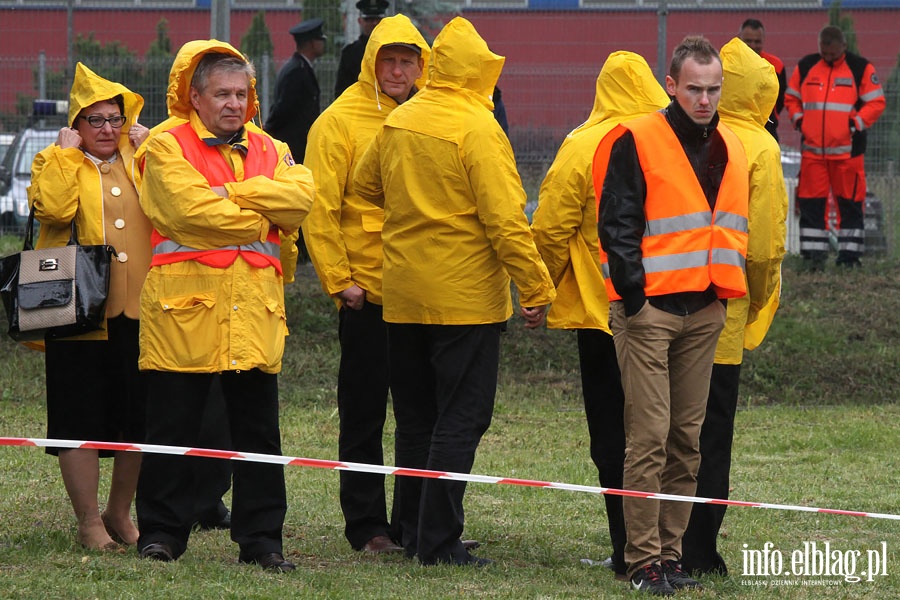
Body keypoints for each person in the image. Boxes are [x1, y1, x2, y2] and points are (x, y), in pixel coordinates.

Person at [353, 16, 556, 567]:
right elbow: (506, 222)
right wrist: (535, 285)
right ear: (478, 74)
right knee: (461, 418)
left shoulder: (400, 120)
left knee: (417, 419)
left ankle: (417, 533)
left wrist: (413, 201)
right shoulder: (479, 128)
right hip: (464, 297)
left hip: (402, 295)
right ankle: (438, 542)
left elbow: (365, 185)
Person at [134, 40, 315, 571]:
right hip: (183, 315)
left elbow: (302, 200)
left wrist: (230, 196)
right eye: (222, 94)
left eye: (242, 93)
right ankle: (161, 534)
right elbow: (188, 214)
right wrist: (263, 210)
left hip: (254, 314)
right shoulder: (164, 145)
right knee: (171, 430)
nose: (234, 103)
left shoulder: (271, 146)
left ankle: (263, 541)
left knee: (259, 435)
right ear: (195, 96)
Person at [593, 35, 749, 596]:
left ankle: (670, 552)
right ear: (671, 85)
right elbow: (617, 225)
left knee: (687, 438)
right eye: (694, 89)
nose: (704, 100)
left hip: (705, 308)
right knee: (650, 436)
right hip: (650, 311)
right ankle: (641, 560)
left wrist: (719, 298)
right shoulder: (637, 139)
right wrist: (635, 300)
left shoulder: (730, 144)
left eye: (712, 89)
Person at [531, 51, 669, 580]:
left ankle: (624, 547)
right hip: (665, 307)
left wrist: (539, 289)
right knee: (661, 431)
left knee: (613, 436)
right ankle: (667, 547)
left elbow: (550, 226)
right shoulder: (667, 139)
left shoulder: (582, 144)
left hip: (599, 311)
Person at [302, 14, 429, 556]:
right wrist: (340, 281)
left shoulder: (432, 115)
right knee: (364, 414)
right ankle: (367, 526)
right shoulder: (337, 122)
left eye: (408, 61)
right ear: (370, 61)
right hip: (367, 294)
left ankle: (416, 522)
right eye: (389, 59)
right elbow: (319, 210)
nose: (398, 70)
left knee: (421, 414)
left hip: (422, 294)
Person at [28, 62, 151, 551]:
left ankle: (118, 513)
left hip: (141, 308)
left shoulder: (142, 159)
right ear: (75, 126)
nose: (106, 129)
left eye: (114, 119)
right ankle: (87, 521)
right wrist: (62, 156)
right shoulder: (52, 160)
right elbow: (55, 210)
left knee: (137, 416)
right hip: (74, 307)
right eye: (94, 120)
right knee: (77, 412)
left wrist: (150, 152)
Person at [681, 37, 788, 577]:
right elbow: (765, 248)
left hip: (672, 305)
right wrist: (760, 298)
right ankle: (699, 548)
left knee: (668, 430)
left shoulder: (694, 133)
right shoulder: (762, 149)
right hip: (724, 313)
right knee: (711, 436)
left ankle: (654, 543)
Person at [784, 25, 885, 268]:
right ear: (819, 47)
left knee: (850, 204)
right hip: (813, 153)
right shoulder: (807, 66)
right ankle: (813, 258)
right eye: (824, 52)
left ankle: (849, 258)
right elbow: (791, 98)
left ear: (843, 46)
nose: (827, 57)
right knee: (810, 204)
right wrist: (799, 119)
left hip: (848, 154)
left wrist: (854, 124)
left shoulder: (860, 68)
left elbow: (876, 102)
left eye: (832, 53)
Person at [265, 17, 326, 162]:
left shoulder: (298, 67)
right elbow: (283, 108)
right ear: (312, 43)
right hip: (293, 147)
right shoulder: (297, 72)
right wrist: (267, 131)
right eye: (321, 39)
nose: (323, 44)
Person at [738, 18, 785, 141]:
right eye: (748, 41)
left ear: (763, 41)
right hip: (737, 131)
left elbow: (780, 100)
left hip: (767, 131)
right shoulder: (728, 64)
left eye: (757, 41)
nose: (753, 46)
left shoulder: (776, 66)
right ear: (739, 40)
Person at [334, 0, 388, 97]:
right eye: (369, 19)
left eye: (378, 19)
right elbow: (342, 92)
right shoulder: (350, 53)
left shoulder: (394, 50)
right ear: (360, 21)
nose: (374, 23)